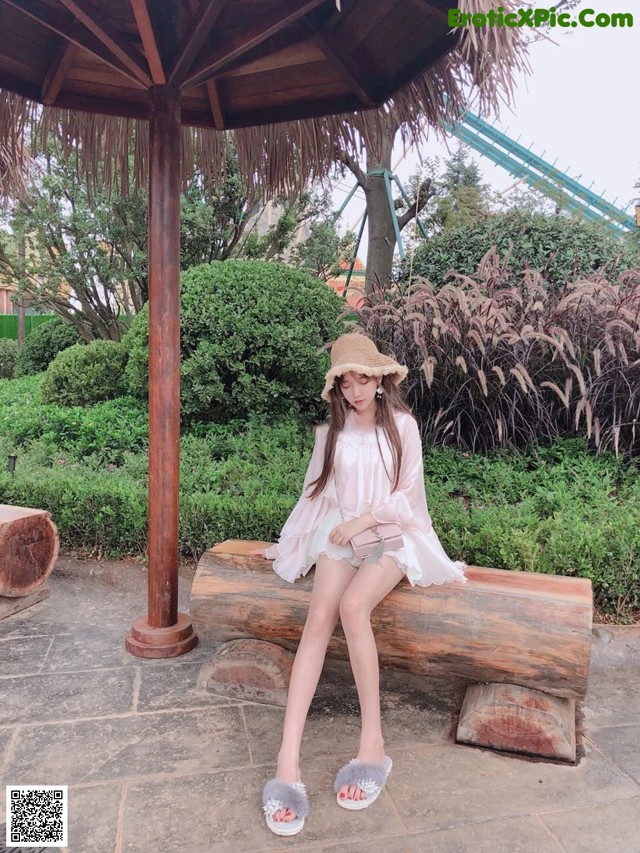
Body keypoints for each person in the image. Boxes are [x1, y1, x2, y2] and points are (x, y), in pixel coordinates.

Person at [252, 332, 467, 837]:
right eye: (345, 382)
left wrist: (359, 523)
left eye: (363, 379)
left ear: (381, 379)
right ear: (337, 388)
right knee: (316, 622)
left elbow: (407, 500)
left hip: (393, 538)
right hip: (343, 536)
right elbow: (313, 491)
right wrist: (288, 545)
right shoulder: (330, 434)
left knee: (353, 607)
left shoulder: (404, 427)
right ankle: (287, 763)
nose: (355, 390)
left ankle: (374, 745)